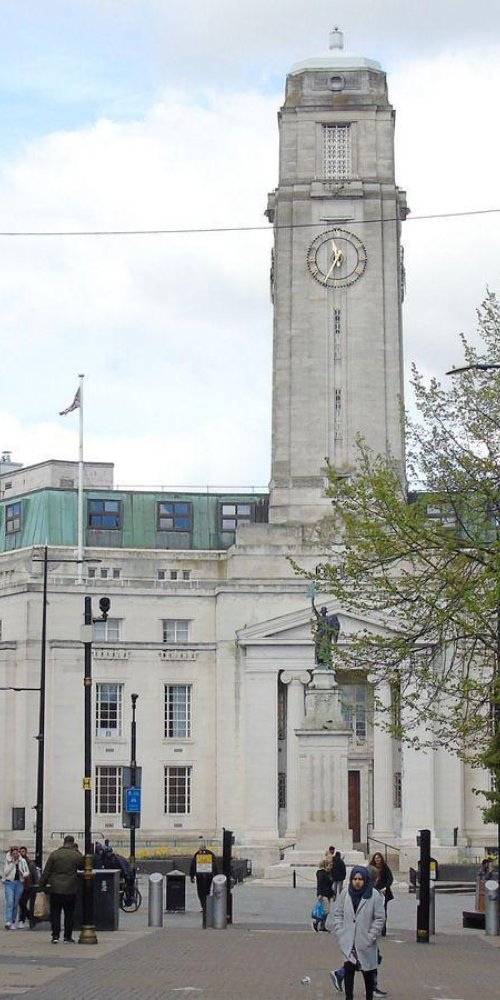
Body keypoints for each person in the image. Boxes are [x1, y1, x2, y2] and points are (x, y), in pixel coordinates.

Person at [331, 866, 385, 1000]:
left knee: (368, 975)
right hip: (349, 942)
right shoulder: (345, 893)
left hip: (365, 941)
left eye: (360, 879)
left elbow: (380, 918)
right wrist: (340, 932)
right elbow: (338, 914)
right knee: (349, 973)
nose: (357, 882)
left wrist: (371, 936)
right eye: (354, 879)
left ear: (365, 880)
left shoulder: (374, 895)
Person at [39, 834, 84, 943]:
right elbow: (82, 867)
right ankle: (67, 936)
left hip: (55, 888)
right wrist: (77, 852)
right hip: (70, 889)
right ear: (73, 843)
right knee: (69, 914)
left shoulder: (54, 854)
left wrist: (41, 885)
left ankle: (55, 936)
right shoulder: (75, 855)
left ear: (64, 842)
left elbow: (47, 871)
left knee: (55, 913)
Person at [3, 846, 30, 929]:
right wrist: (13, 863)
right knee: (10, 902)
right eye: (13, 853)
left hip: (19, 883)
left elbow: (27, 871)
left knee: (15, 903)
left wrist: (24, 874)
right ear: (11, 854)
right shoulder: (8, 860)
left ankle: (13, 921)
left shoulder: (22, 861)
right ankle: (8, 921)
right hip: (9, 882)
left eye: (16, 853)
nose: (15, 855)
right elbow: (5, 872)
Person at [369, 852, 394, 935]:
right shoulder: (371, 867)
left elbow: (390, 878)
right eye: (376, 858)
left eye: (378, 858)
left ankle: (383, 929)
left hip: (383, 892)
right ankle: (373, 928)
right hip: (373, 891)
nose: (377, 859)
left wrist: (386, 887)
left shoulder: (385, 867)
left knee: (383, 910)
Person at [311, 597, 340, 669]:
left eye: (324, 610)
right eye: (322, 610)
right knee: (319, 648)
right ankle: (320, 661)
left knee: (326, 647)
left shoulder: (329, 619)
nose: (323, 611)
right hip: (319, 635)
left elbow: (333, 627)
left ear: (326, 612)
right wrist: (312, 601)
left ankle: (326, 660)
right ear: (321, 612)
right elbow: (314, 610)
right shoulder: (319, 617)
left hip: (326, 636)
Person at [190, 844, 217, 911]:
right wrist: (215, 874)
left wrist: (192, 876)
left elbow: (193, 865)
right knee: (207, 891)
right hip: (209, 876)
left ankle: (204, 906)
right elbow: (214, 865)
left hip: (200, 876)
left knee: (200, 891)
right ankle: (206, 906)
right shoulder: (211, 854)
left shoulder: (197, 854)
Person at [18, 846, 38, 928]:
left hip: (29, 886)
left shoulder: (31, 863)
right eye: (20, 851)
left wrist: (37, 885)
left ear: (26, 852)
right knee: (22, 903)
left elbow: (35, 875)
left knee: (24, 903)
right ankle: (27, 917)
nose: (22, 853)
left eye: (23, 851)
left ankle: (26, 918)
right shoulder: (17, 862)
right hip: (20, 885)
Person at [313, 858, 333, 931]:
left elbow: (330, 884)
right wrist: (319, 894)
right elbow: (320, 884)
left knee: (326, 911)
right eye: (330, 865)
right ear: (325, 865)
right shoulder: (321, 873)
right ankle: (316, 922)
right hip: (323, 894)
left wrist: (332, 893)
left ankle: (322, 926)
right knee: (325, 911)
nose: (331, 867)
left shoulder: (327, 873)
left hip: (328, 894)